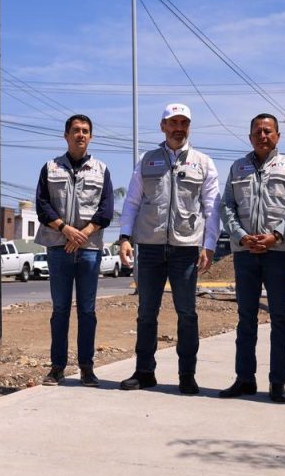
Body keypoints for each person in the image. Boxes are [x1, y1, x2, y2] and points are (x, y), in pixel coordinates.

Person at [117, 103, 220, 395]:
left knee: (187, 313)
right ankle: (144, 372)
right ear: (162, 126)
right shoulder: (147, 161)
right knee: (146, 312)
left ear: (189, 127)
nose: (178, 128)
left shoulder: (203, 162)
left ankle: (187, 374)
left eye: (183, 123)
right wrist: (125, 237)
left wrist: (209, 245)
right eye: (173, 123)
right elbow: (132, 202)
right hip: (149, 248)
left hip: (186, 249)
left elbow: (212, 208)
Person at [219, 114, 285, 403]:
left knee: (280, 318)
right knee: (246, 318)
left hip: (278, 254)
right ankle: (244, 378)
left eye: (268, 131)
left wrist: (276, 236)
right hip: (245, 253)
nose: (262, 136)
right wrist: (241, 236)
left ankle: (277, 383)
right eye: (257, 131)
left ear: (278, 136)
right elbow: (227, 206)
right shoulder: (238, 167)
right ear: (250, 137)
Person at [35, 114, 114, 387]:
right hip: (59, 248)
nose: (81, 135)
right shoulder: (50, 168)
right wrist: (65, 230)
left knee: (87, 310)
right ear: (66, 135)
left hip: (90, 250)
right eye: (76, 130)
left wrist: (83, 234)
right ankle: (57, 368)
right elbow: (42, 205)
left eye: (86, 131)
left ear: (91, 136)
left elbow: (106, 209)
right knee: (59, 310)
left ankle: (86, 368)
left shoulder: (101, 170)